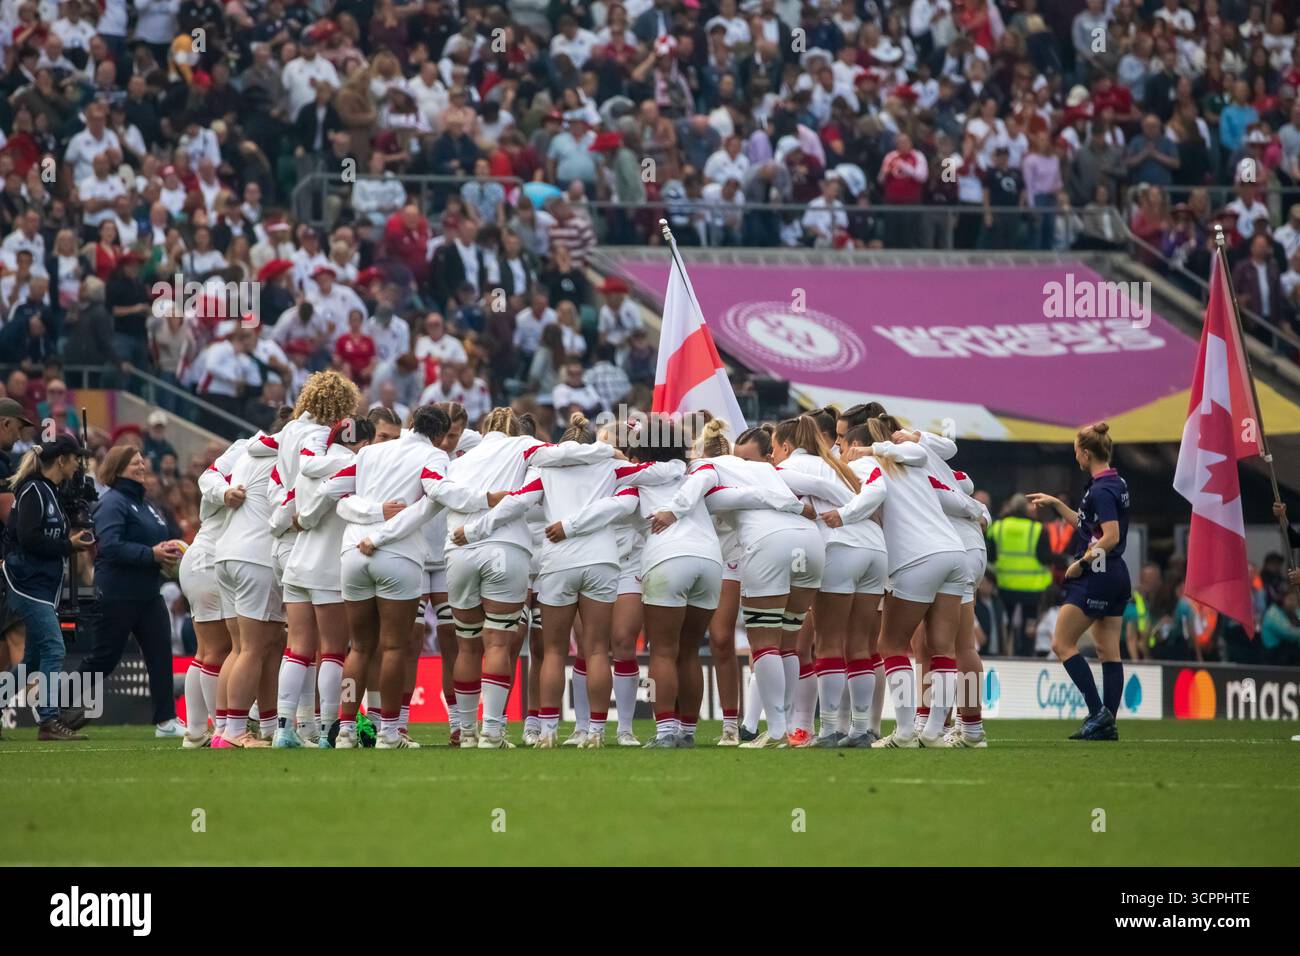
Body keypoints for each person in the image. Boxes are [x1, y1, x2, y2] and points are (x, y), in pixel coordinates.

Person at [64, 444, 186, 737]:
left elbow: (155, 541)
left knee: (160, 655)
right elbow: (110, 545)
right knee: (104, 658)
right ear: (117, 468)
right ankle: (53, 706)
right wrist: (151, 554)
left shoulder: (147, 505)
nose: (142, 466)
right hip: (117, 591)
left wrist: (168, 552)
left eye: (142, 461)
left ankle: (166, 721)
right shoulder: (113, 502)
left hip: (147, 592)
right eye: (134, 463)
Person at [1028, 422, 1131, 742]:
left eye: (1076, 452)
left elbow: (1110, 536)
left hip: (1097, 573)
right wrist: (1058, 506)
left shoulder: (1100, 490)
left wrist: (1081, 563)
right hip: (1115, 573)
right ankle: (1107, 723)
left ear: (1086, 453)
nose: (1076, 458)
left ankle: (1098, 712)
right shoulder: (1115, 482)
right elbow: (1092, 527)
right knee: (1108, 650)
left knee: (1061, 643)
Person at [0, 435, 95, 741]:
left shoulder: (49, 491)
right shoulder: (34, 490)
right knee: (55, 648)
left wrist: (69, 545)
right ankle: (49, 720)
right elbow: (28, 538)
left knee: (32, 662)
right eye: (75, 458)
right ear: (62, 459)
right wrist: (67, 544)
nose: (78, 464)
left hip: (40, 585)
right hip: (27, 583)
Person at [176, 435, 248, 747]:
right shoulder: (249, 453)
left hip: (199, 558)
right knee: (219, 650)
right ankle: (221, 728)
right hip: (209, 560)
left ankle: (195, 732)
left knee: (206, 652)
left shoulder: (237, 460)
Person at [987, 492, 1054, 655]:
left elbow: (990, 555)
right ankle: (1026, 654)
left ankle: (1004, 652)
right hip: (1032, 589)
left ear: (1010, 507)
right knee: (1029, 625)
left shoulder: (997, 526)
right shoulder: (1037, 528)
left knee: (1005, 622)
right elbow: (1045, 557)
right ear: (1026, 509)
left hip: (1004, 585)